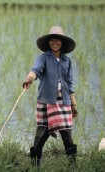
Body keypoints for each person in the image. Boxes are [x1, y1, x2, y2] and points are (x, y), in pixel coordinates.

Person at [22, 26, 78, 166]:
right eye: (52, 40)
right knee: (41, 134)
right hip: (47, 101)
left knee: (67, 135)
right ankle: (35, 165)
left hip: (64, 101)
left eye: (57, 40)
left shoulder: (67, 61)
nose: (54, 43)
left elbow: (69, 83)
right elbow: (36, 70)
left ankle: (72, 165)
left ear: (62, 42)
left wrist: (73, 103)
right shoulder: (44, 58)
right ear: (48, 42)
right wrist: (29, 79)